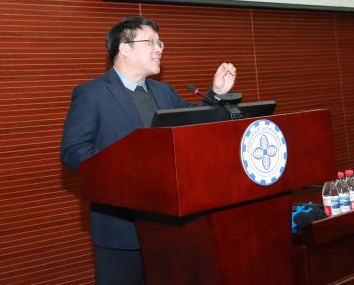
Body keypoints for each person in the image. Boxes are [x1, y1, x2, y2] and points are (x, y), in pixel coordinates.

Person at [60, 16, 237, 285]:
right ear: (125, 48)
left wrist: (217, 94)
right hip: (121, 227)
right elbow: (73, 150)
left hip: (171, 225)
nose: (159, 49)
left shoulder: (164, 92)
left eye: (160, 43)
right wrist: (126, 167)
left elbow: (195, 121)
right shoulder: (92, 93)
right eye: (151, 42)